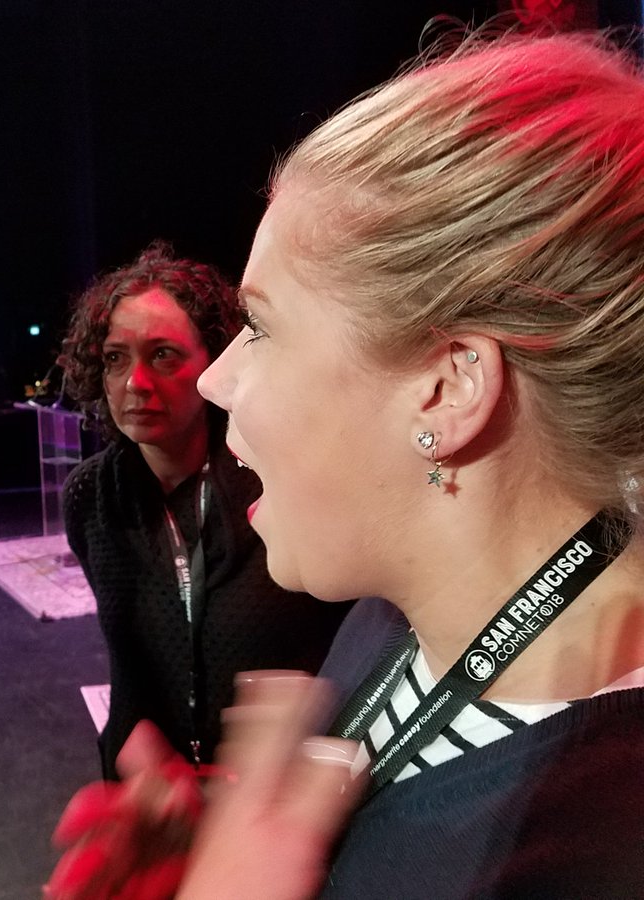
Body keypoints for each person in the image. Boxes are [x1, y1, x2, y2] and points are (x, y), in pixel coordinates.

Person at [48, 30, 644, 899]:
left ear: (446, 387)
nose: (215, 379)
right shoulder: (401, 616)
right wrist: (215, 849)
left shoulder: (576, 850)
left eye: (262, 327)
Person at [58, 242, 350, 779]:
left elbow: (354, 653)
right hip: (163, 808)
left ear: (215, 359)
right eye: (114, 358)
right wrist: (141, 755)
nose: (135, 383)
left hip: (282, 801)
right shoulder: (92, 498)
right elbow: (128, 672)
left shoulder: (278, 479)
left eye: (163, 354)